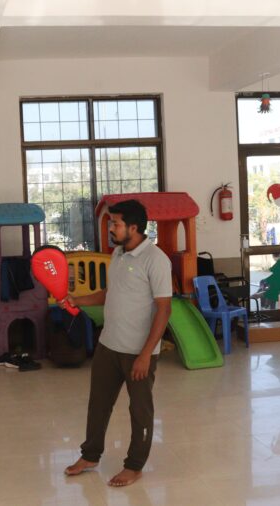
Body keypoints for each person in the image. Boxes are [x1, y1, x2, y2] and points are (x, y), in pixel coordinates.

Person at [62, 199, 172, 487]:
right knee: (98, 404)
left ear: (133, 227)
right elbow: (110, 292)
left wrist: (146, 354)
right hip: (109, 346)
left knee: (140, 410)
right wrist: (77, 300)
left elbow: (164, 309)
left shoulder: (156, 259)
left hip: (138, 352)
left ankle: (134, 466)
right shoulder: (118, 254)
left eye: (116, 224)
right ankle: (90, 456)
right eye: (111, 223)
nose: (111, 228)